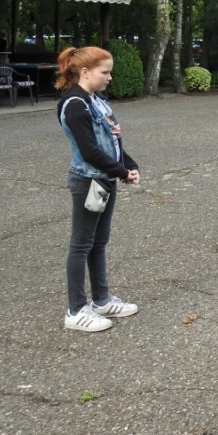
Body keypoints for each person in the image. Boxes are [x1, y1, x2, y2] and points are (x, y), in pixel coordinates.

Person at [56, 46, 141, 333]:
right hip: (88, 181)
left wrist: (129, 164)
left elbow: (112, 140)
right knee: (81, 244)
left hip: (105, 179)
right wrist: (122, 172)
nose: (109, 77)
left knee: (99, 242)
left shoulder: (97, 100)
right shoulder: (74, 105)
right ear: (85, 72)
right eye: (105, 72)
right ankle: (76, 310)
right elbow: (90, 151)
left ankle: (102, 300)